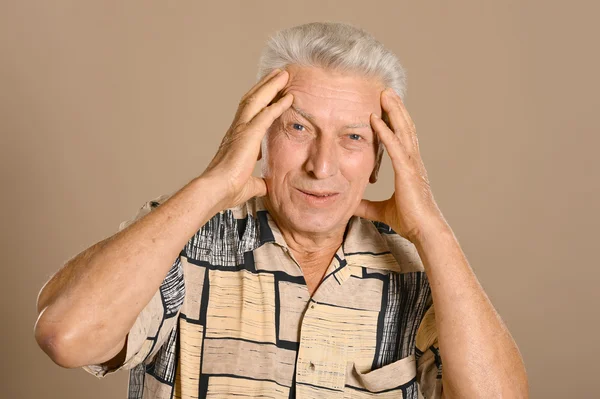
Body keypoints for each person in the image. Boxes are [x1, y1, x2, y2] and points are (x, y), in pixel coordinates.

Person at [34, 22, 528, 398]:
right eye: (298, 128)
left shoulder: (421, 273)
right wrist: (212, 185)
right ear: (260, 135)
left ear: (380, 160)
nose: (322, 164)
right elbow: (67, 336)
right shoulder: (182, 237)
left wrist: (431, 228)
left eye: (353, 137)